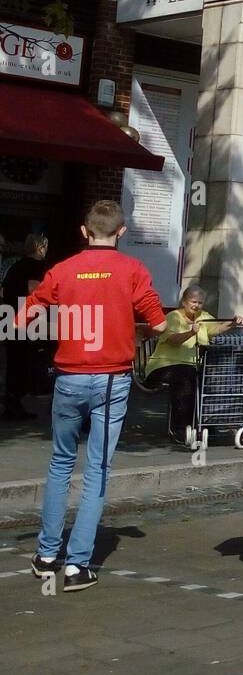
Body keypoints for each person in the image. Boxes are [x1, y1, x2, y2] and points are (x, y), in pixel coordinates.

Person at [16, 201, 166, 591]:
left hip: (69, 377)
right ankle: (77, 566)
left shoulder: (63, 269)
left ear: (84, 232)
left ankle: (47, 554)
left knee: (60, 464)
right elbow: (159, 319)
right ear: (121, 232)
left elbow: (25, 315)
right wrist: (139, 329)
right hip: (112, 380)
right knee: (97, 468)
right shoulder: (132, 269)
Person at [138, 285, 243, 440]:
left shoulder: (204, 316)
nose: (196, 306)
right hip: (162, 367)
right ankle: (181, 428)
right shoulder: (173, 317)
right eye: (193, 302)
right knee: (186, 376)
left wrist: (232, 323)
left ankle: (207, 423)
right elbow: (173, 340)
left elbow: (215, 329)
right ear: (184, 302)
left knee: (212, 377)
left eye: (200, 303)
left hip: (191, 368)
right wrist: (190, 333)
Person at [2, 232, 49, 419]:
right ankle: (15, 402)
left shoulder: (15, 267)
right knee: (25, 363)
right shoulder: (36, 267)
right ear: (39, 247)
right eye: (45, 246)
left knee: (14, 362)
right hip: (26, 322)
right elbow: (35, 290)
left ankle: (12, 402)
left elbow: (4, 290)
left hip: (10, 319)